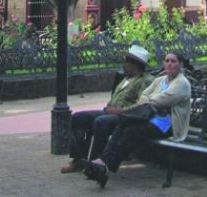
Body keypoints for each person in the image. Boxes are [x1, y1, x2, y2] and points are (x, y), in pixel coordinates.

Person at [83, 51, 192, 188]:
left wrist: (149, 100)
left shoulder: (182, 84)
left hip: (168, 125)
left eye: (173, 61)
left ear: (180, 64)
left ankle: (105, 165)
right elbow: (144, 96)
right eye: (167, 61)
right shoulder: (160, 80)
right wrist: (149, 100)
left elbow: (162, 100)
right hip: (148, 118)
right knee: (124, 123)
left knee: (133, 130)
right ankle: (104, 163)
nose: (169, 64)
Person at [60, 44, 154, 173]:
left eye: (126, 61)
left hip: (124, 116)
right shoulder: (126, 78)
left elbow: (142, 105)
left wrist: (120, 111)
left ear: (136, 64)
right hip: (107, 111)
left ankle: (95, 163)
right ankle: (78, 160)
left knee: (101, 122)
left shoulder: (145, 81)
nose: (124, 64)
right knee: (78, 118)